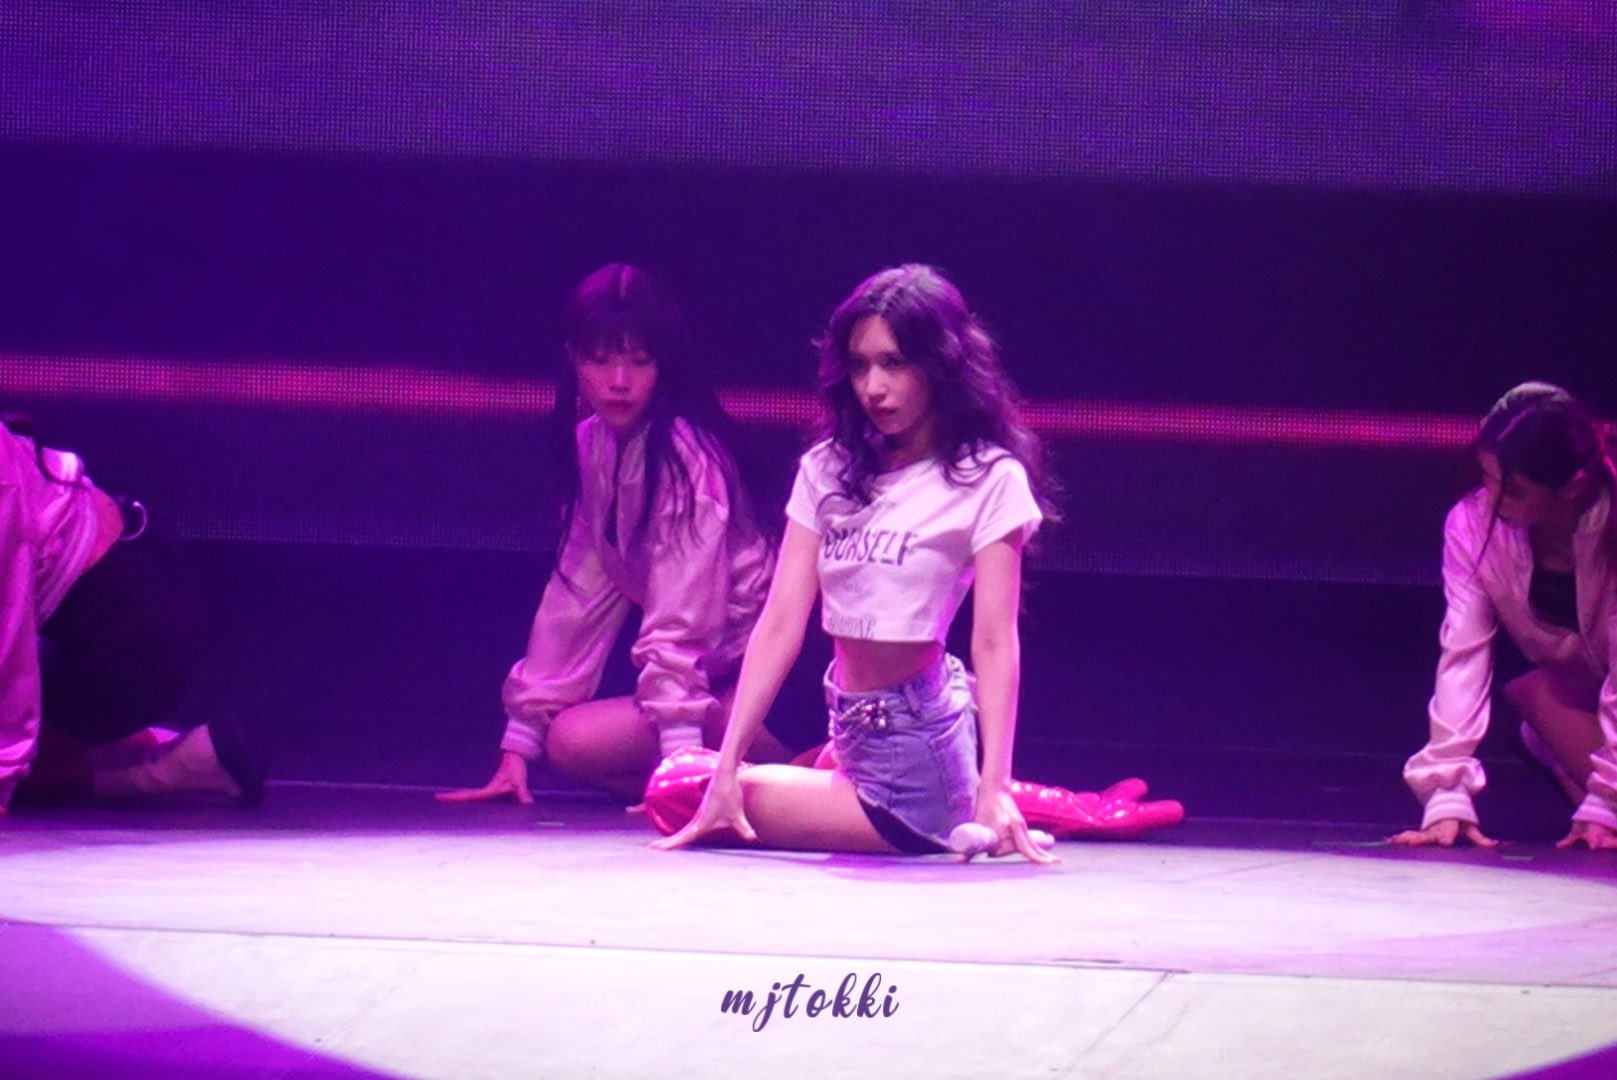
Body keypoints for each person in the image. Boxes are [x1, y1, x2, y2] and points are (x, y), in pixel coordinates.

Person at [654, 264, 1102, 860]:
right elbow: (782, 620)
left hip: (913, 758)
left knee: (673, 789)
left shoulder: (987, 479)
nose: (873, 387)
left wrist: (996, 780)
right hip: (849, 734)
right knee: (701, 781)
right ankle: (990, 805)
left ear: (940, 365)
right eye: (860, 365)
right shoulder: (829, 469)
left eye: (894, 363)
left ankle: (986, 801)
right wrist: (728, 764)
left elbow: (995, 642)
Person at [438, 263, 793, 806]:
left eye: (639, 362)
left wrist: (678, 758)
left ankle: (736, 779)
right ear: (573, 360)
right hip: (710, 683)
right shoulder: (594, 445)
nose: (619, 381)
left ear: (663, 366)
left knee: (677, 735)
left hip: (768, 684)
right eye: (601, 361)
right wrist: (519, 745)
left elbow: (684, 610)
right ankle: (727, 783)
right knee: (569, 742)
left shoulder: (686, 455)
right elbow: (576, 597)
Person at [1393, 382, 1617, 850]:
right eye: (1488, 479)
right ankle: (1555, 746)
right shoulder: (1472, 524)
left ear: (1573, 487)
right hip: (1568, 687)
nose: (1494, 502)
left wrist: (1606, 801)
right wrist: (1446, 793)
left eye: (1514, 491)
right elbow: (1463, 651)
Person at [0, 416, 261, 815]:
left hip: (129, 634)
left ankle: (161, 769)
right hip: (113, 603)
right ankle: (157, 748)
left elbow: (9, 641)